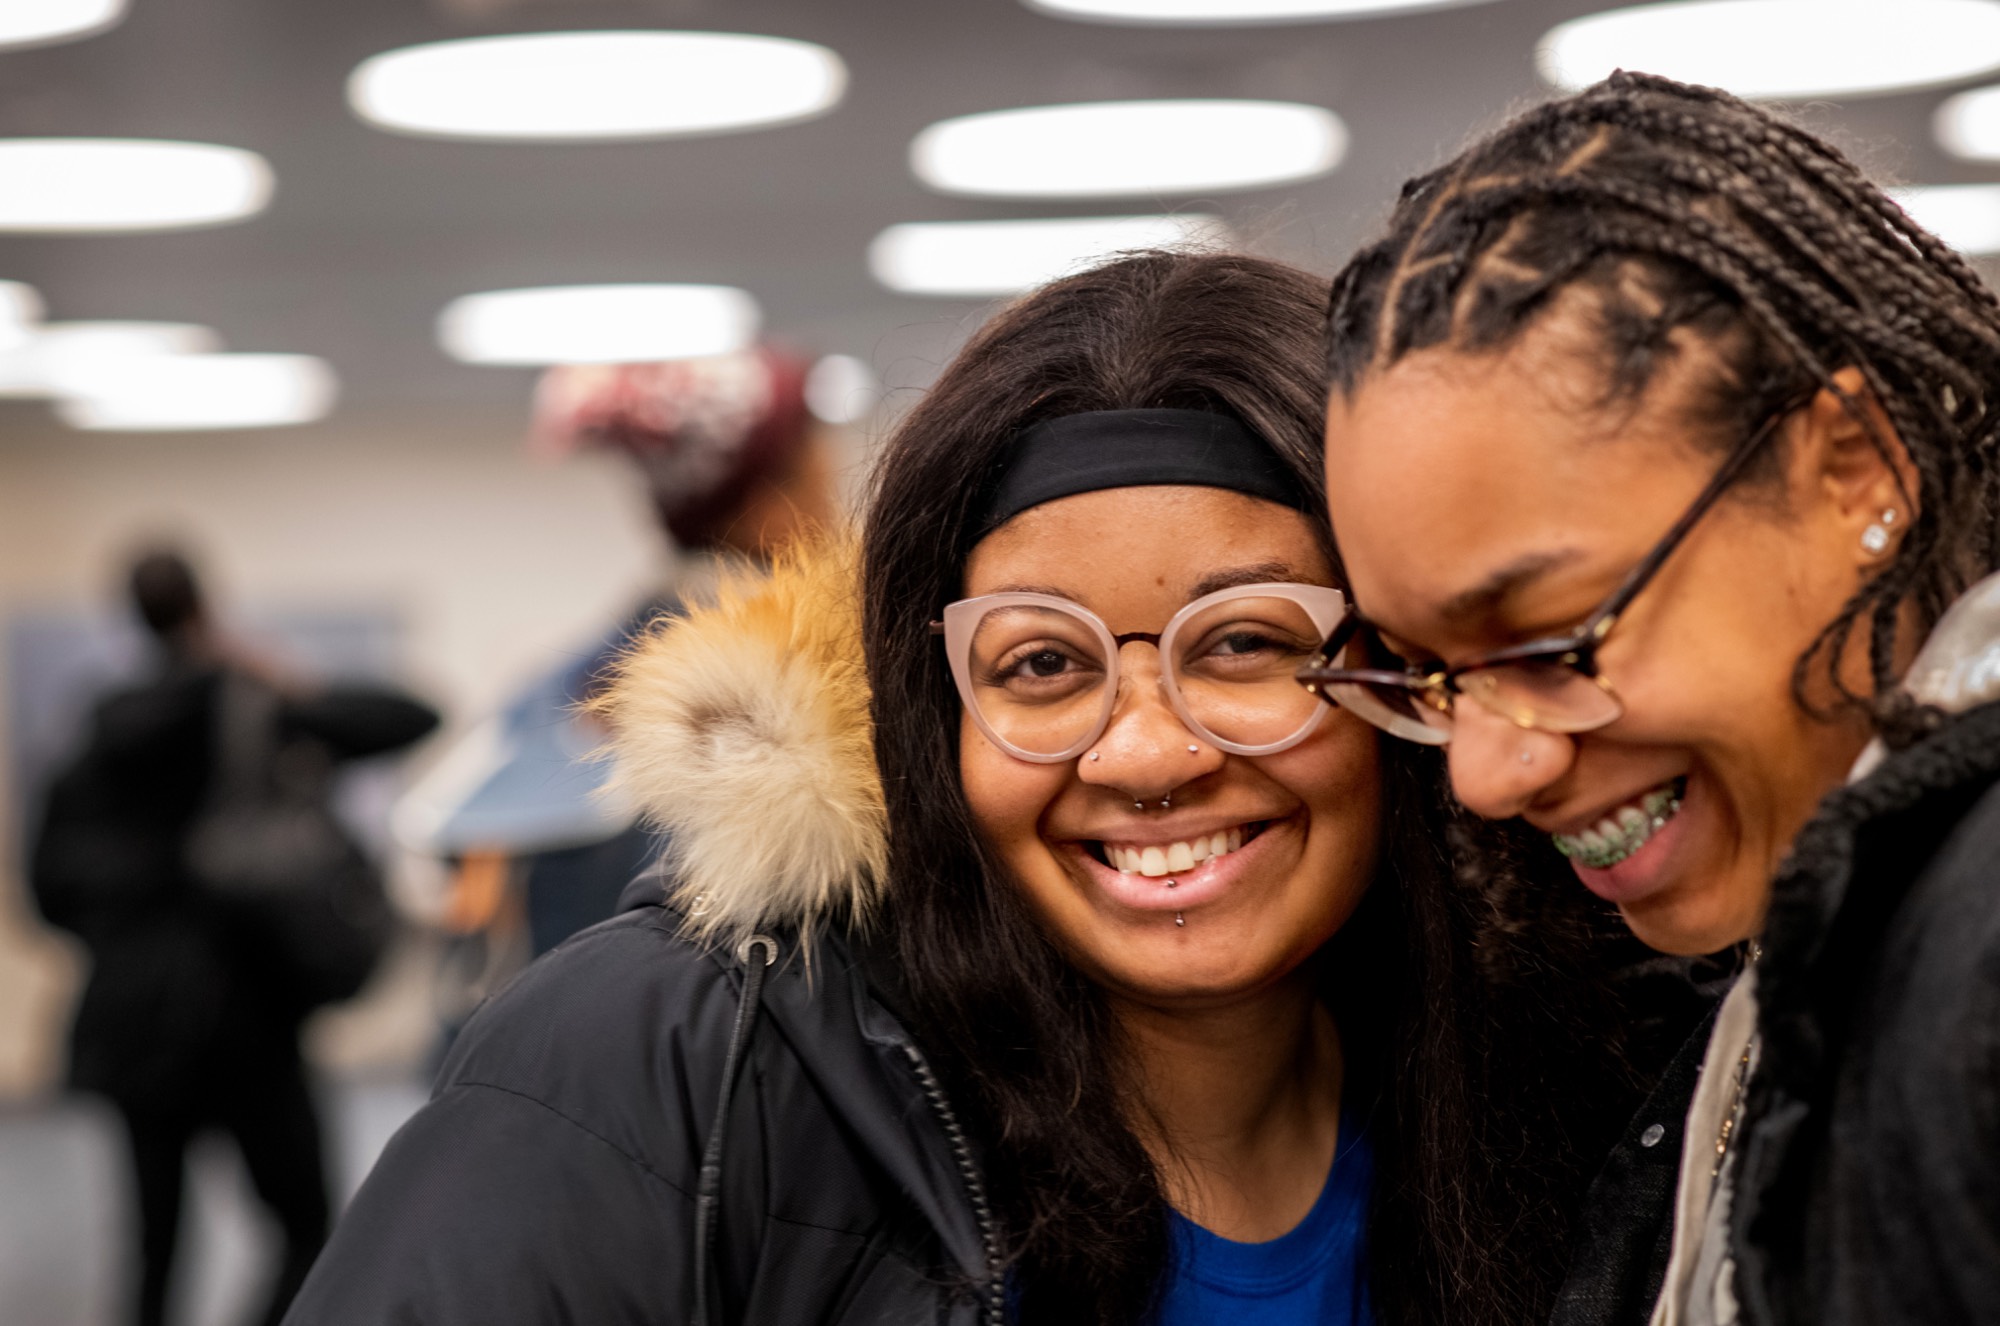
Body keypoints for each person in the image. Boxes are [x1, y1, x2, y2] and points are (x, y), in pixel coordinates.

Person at [284, 252, 1635, 1325]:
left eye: (1248, 643)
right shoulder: (667, 1067)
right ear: (938, 719)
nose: (1148, 753)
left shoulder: (1584, 1080)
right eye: (1042, 663)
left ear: (1407, 674)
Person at [1304, 71, 2000, 1326]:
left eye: (1546, 639)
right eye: (1422, 672)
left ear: (1855, 471)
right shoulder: (1821, 938)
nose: (1481, 773)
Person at [29, 549, 439, 1326]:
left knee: (153, 1247)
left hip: (133, 1024)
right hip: (245, 1018)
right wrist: (280, 679)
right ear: (201, 605)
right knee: (304, 1225)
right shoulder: (254, 709)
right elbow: (415, 715)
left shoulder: (93, 743)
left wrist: (132, 922)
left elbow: (49, 893)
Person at [395, 346, 839, 957]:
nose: (837, 489)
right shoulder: (791, 670)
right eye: (822, 466)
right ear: (770, 499)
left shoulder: (587, 668)